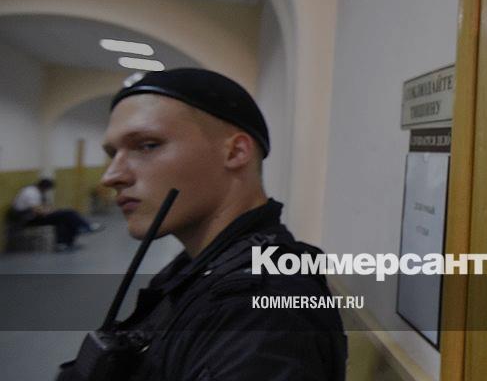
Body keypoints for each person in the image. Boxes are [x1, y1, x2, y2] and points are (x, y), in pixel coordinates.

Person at [57, 68, 347, 380]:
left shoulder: (262, 309)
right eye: (113, 153)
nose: (111, 176)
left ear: (235, 152)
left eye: (147, 145)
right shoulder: (197, 268)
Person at [10, 178, 102, 250]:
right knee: (68, 213)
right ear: (44, 187)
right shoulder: (30, 192)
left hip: (35, 216)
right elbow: (37, 210)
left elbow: (42, 207)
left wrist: (50, 210)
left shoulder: (37, 192)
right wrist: (49, 212)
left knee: (64, 219)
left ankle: (65, 244)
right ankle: (85, 226)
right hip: (27, 218)